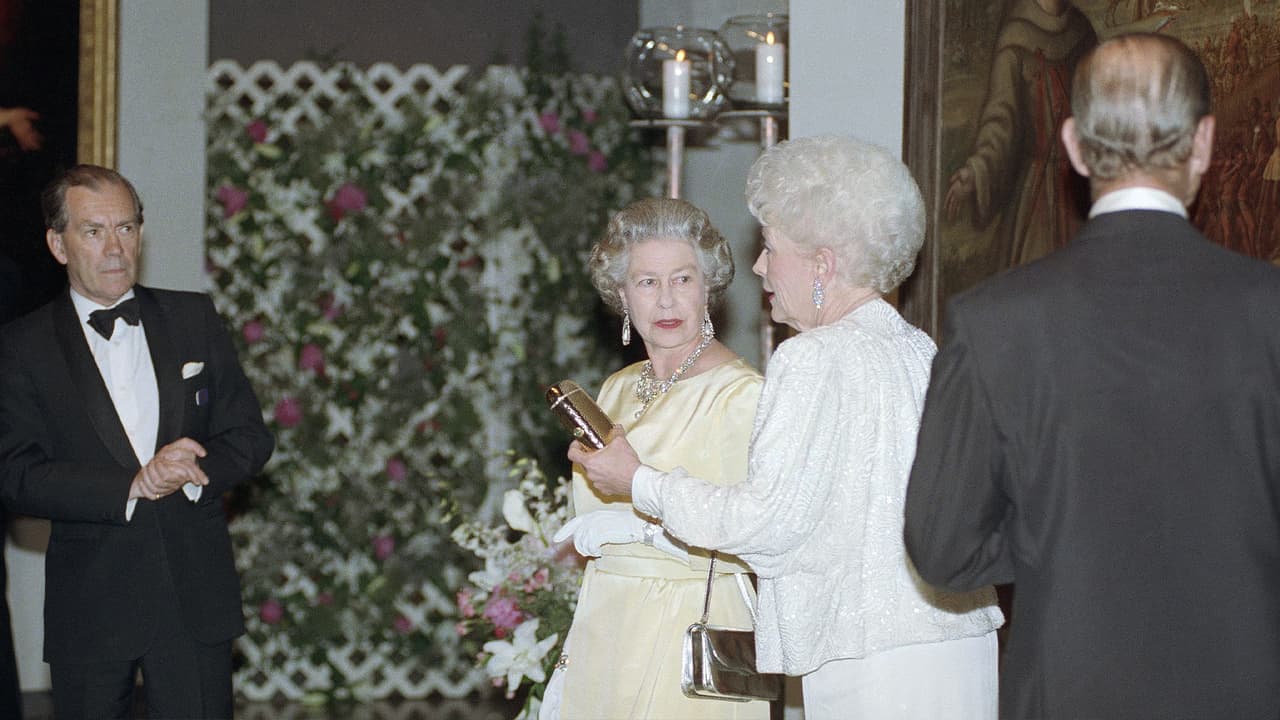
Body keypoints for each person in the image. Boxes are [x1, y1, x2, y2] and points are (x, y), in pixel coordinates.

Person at [904, 33, 1280, 718]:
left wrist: (1054, 529)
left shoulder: (993, 320)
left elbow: (941, 547)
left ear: (1075, 147)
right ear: (1203, 143)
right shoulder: (1269, 311)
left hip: (1068, 688)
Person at [572, 137, 1003, 719]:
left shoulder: (812, 358)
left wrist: (641, 482)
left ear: (822, 263)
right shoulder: (915, 346)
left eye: (770, 247)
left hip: (871, 661)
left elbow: (767, 523)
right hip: (954, 642)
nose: (758, 266)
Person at [0, 165, 275, 719]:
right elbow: (16, 475)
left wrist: (195, 471)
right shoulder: (22, 345)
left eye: (126, 228)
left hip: (194, 594)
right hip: (92, 602)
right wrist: (131, 483)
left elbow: (249, 437)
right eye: (93, 230)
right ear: (58, 244)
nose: (114, 247)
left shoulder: (193, 317)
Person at [545, 197, 767, 719]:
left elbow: (752, 533)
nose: (666, 301)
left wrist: (644, 531)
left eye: (682, 279)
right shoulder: (616, 390)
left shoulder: (742, 394)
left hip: (692, 630)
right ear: (621, 294)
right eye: (647, 282)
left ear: (707, 286)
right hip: (608, 624)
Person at [945, 0, 1095, 271]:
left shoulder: (1082, 33)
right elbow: (1000, 121)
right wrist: (976, 170)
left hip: (1079, 193)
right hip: (1035, 196)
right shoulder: (1016, 38)